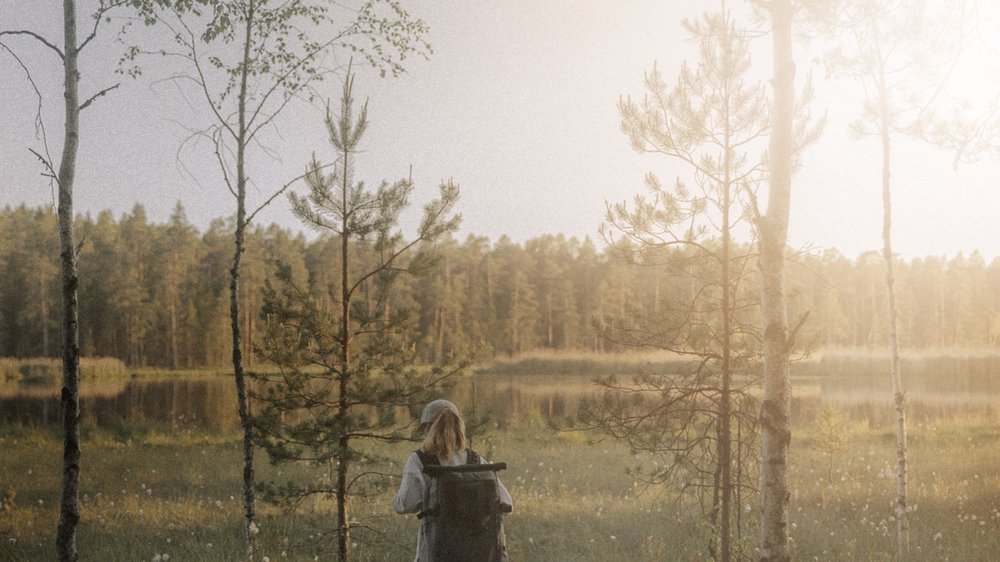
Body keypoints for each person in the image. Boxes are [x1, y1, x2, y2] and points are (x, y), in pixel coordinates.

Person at [392, 399, 512, 561]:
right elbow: (506, 504)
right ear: (459, 426)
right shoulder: (474, 460)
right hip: (476, 552)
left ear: (428, 428)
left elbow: (405, 504)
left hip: (436, 552)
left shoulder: (419, 460)